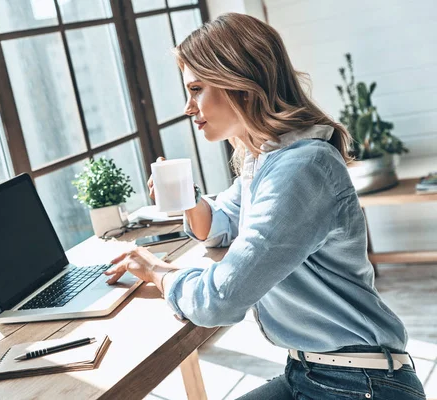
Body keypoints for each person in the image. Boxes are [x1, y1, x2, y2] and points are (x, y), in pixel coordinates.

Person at [103, 12, 427, 399]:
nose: (189, 107)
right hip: (309, 374)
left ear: (239, 82)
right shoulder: (267, 159)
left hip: (359, 385)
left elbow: (218, 301)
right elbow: (221, 223)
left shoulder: (302, 168)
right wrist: (188, 198)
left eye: (196, 89)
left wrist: (158, 271)